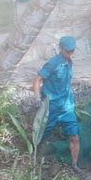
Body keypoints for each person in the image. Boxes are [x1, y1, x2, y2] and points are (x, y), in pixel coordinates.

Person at [33, 36, 81, 171]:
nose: (71, 53)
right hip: (51, 108)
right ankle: (34, 164)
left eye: (72, 50)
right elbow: (37, 80)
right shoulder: (53, 63)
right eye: (68, 51)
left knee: (75, 136)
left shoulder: (69, 62)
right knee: (40, 138)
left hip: (66, 107)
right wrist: (37, 99)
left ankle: (74, 165)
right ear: (60, 49)